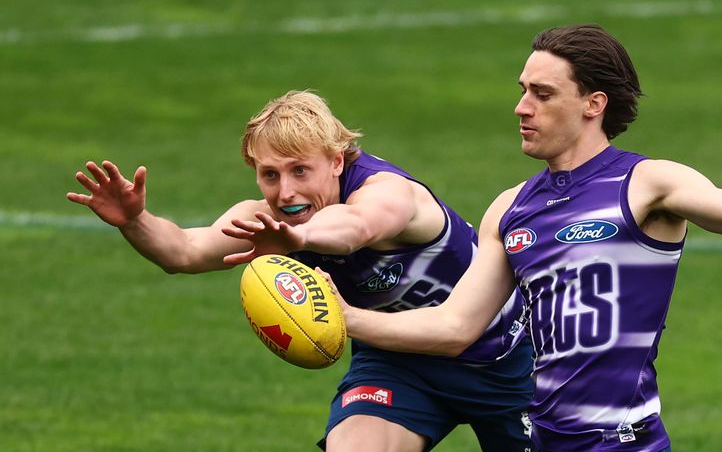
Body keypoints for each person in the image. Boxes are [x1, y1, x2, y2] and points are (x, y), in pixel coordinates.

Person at [332, 24, 722, 451]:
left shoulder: (648, 183)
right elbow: (455, 328)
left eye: (542, 94)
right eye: (523, 90)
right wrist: (344, 317)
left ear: (593, 104)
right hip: (542, 439)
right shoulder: (510, 209)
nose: (522, 107)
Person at [66, 90, 536, 452]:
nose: (285, 191)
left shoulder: (389, 193)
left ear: (337, 160)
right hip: (398, 362)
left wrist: (301, 238)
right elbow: (183, 252)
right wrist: (134, 221)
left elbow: (355, 226)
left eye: (299, 171)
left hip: (507, 360)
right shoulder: (269, 218)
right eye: (270, 174)